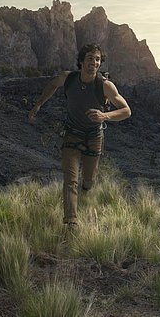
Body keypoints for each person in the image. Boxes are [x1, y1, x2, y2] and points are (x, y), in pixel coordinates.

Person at [29, 43, 131, 226]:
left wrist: (104, 116)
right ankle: (71, 222)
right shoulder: (68, 78)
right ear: (82, 61)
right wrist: (39, 104)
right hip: (72, 135)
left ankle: (86, 191)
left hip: (94, 137)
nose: (94, 62)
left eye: (98, 59)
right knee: (70, 179)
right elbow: (52, 85)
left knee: (89, 180)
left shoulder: (105, 86)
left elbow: (126, 111)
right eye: (90, 58)